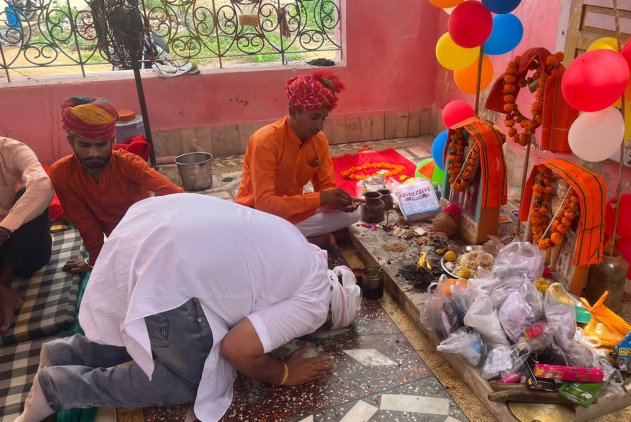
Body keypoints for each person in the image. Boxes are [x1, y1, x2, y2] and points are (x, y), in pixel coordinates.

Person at [14, 194, 361, 422]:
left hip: (142, 233)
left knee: (153, 329)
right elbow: (236, 349)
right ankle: (60, 387)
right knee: (196, 383)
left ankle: (65, 353)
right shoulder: (314, 302)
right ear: (329, 315)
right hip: (167, 270)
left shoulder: (302, 252)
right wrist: (283, 374)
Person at [49, 97, 183, 273]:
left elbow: (175, 194)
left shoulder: (129, 163)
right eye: (84, 145)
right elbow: (85, 223)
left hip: (153, 236)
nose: (93, 153)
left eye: (101, 144)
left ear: (112, 141)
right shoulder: (61, 173)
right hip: (119, 243)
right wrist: (95, 262)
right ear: (71, 142)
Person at [235, 72, 363, 250]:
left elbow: (326, 188)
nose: (320, 126)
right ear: (294, 112)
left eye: (323, 118)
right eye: (314, 117)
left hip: (292, 212)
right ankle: (298, 240)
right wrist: (320, 199)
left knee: (355, 213)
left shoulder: (319, 140)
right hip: (258, 216)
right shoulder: (265, 141)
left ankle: (294, 240)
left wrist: (337, 201)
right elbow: (265, 205)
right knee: (259, 230)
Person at [0, 137, 54, 333]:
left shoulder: (12, 150)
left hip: (27, 252)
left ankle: (5, 281)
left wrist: (4, 228)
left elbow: (43, 186)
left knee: (29, 195)